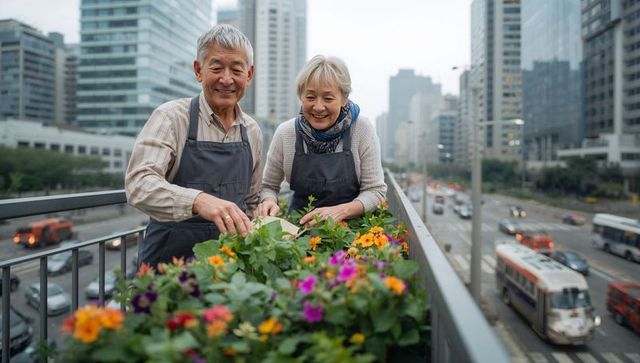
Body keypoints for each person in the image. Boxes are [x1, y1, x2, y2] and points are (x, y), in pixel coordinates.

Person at [125, 24, 262, 267]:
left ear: (249, 75)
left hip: (229, 267)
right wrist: (198, 201)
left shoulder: (251, 131)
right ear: (198, 70)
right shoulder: (171, 118)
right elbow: (138, 184)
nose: (227, 79)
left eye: (236, 70)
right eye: (217, 68)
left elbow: (251, 201)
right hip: (169, 268)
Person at [255, 55, 386, 226]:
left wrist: (341, 211)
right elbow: (269, 186)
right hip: (298, 232)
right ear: (301, 96)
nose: (318, 107)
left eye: (328, 98)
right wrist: (269, 202)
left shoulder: (361, 130)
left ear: (344, 98)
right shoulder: (286, 133)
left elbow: (375, 191)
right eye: (310, 97)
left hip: (350, 234)